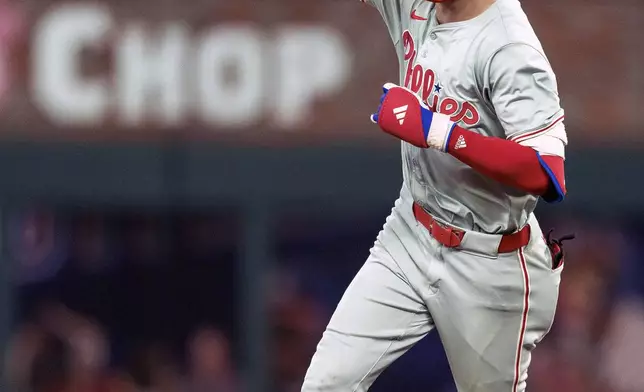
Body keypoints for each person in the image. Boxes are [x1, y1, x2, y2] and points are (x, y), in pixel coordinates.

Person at [301, 0, 571, 391]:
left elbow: (547, 172)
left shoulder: (509, 45)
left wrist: (438, 131)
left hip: (489, 259)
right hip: (411, 232)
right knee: (326, 384)